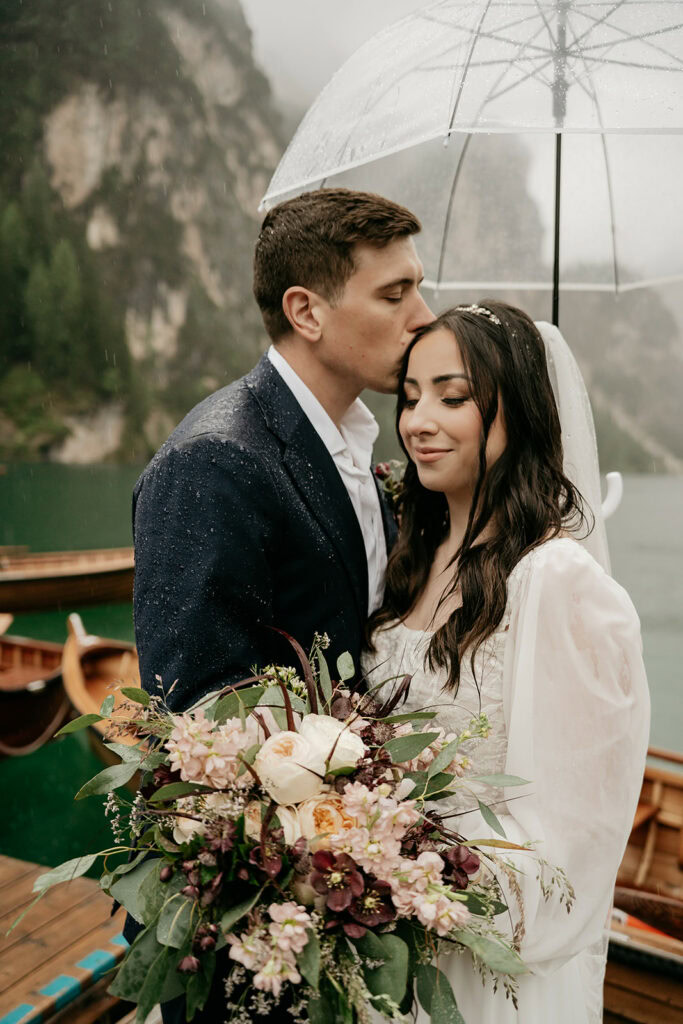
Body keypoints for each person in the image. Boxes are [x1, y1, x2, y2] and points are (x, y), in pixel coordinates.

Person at [130, 188, 434, 1022]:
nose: (421, 316)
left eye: (417, 288)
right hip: (250, 920)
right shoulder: (214, 461)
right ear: (306, 311)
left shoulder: (361, 449)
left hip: (342, 899)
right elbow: (194, 714)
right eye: (394, 293)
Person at [363, 301, 650, 1024]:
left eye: (452, 397)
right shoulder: (411, 557)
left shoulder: (557, 580)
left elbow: (578, 828)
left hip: (481, 963)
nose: (418, 421)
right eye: (410, 397)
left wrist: (424, 884)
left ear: (515, 412)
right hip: (375, 938)